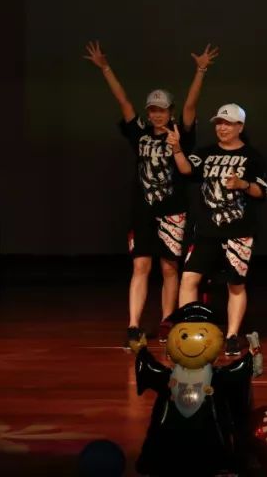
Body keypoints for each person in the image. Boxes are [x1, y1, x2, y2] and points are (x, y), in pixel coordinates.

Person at [83, 40, 218, 347]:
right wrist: (105, 68)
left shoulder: (180, 134)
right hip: (143, 210)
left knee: (169, 267)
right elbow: (124, 103)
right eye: (153, 110)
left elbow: (191, 107)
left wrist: (200, 71)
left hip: (173, 210)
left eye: (162, 110)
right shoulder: (141, 134)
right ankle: (133, 325)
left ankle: (168, 321)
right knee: (140, 265)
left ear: (170, 111)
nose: (157, 115)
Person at [169, 103, 267, 356]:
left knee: (235, 284)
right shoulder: (206, 153)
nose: (222, 128)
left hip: (239, 231)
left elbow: (261, 191)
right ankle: (188, 332)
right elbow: (186, 169)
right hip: (206, 230)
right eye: (219, 123)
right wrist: (177, 149)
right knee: (189, 278)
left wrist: (242, 184)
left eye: (228, 123)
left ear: (240, 127)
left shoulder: (254, 157)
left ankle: (233, 335)